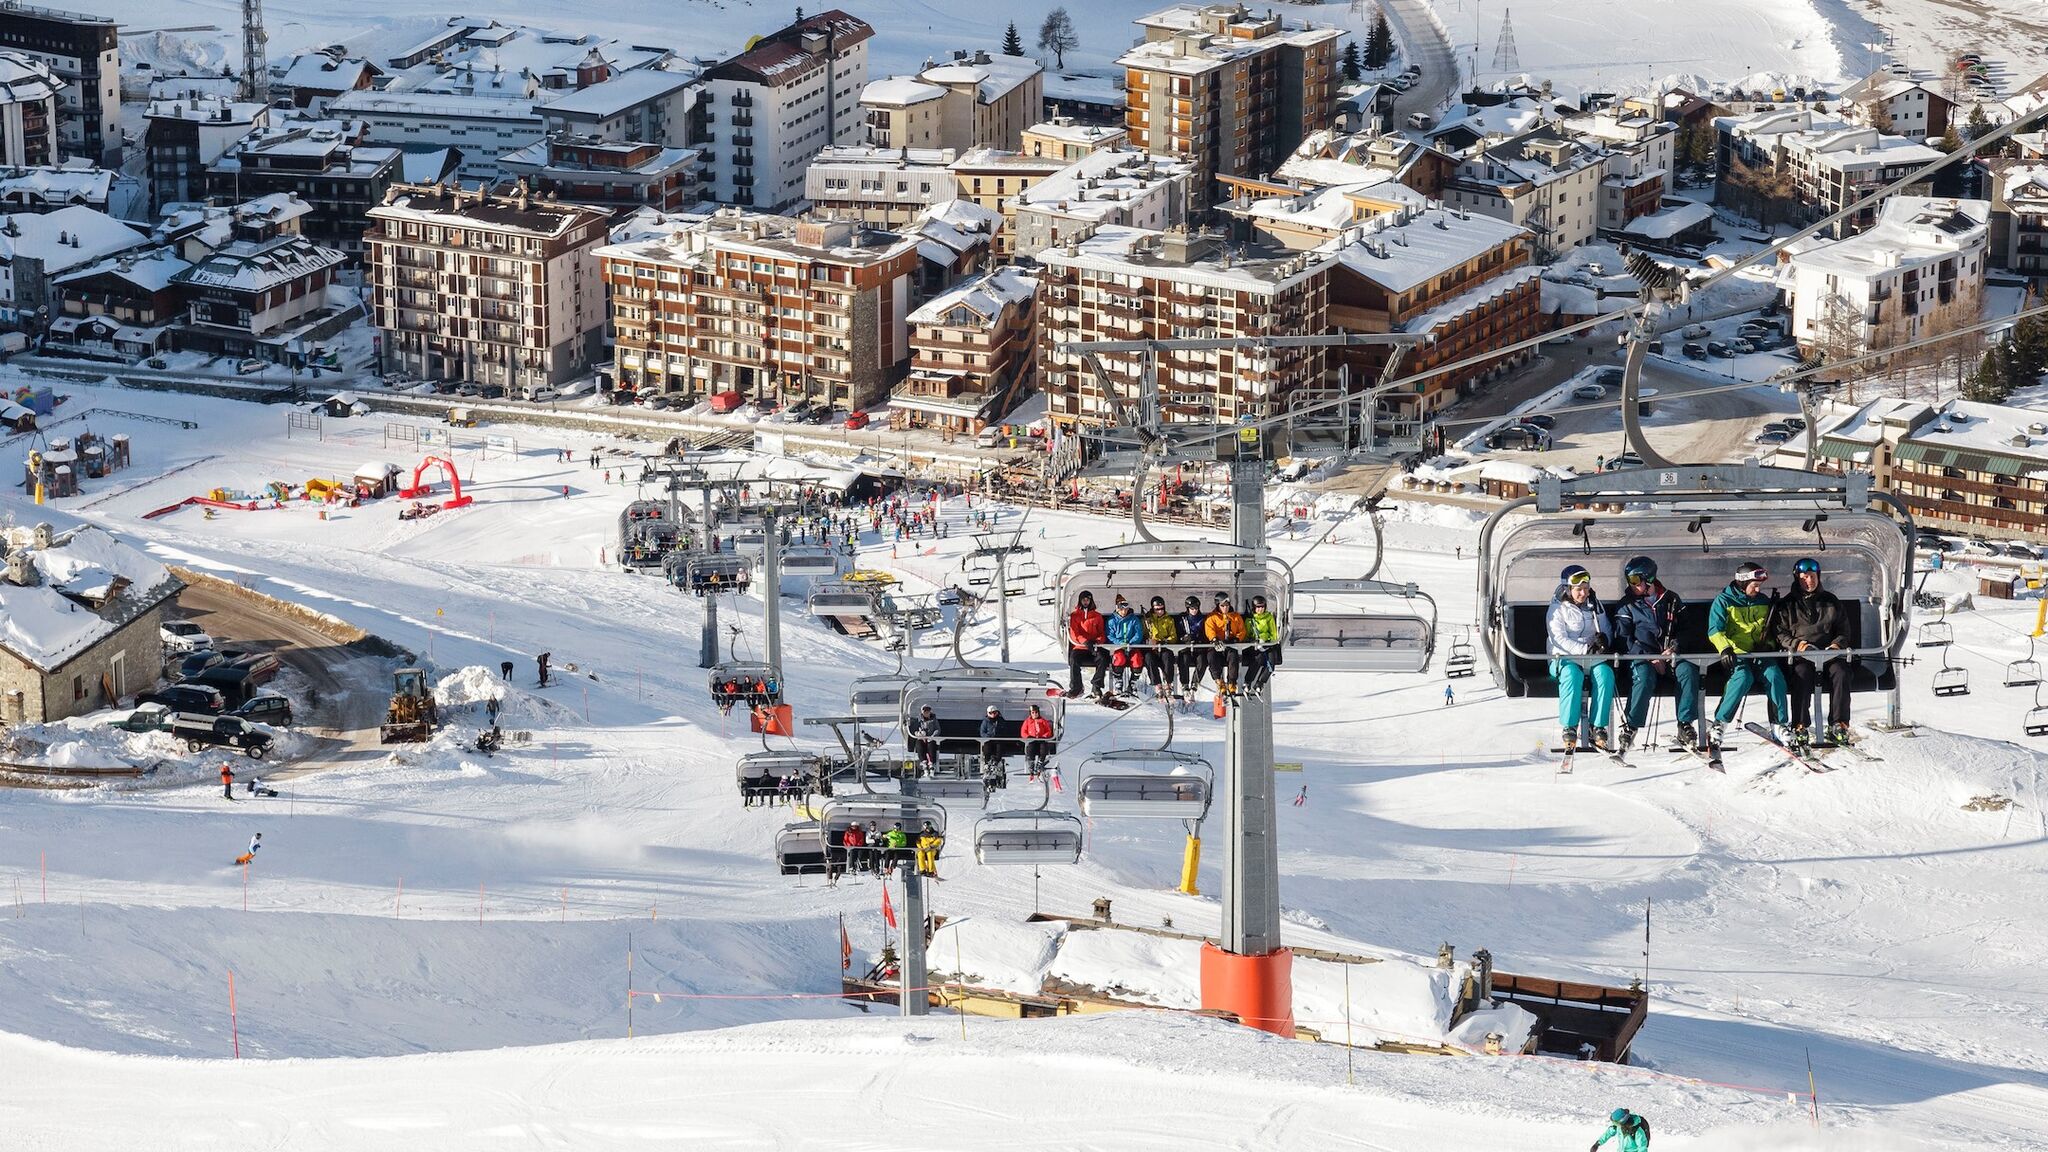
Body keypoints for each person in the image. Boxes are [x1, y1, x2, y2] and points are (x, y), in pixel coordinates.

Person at [1608, 556, 1703, 751]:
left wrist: (1675, 647)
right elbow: (1623, 638)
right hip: (1642, 657)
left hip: (1670, 656)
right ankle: (1631, 726)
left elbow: (1687, 629)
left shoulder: (1671, 600)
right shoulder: (1627, 605)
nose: (1632, 585)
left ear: (1649, 579)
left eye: (1635, 580)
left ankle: (1685, 724)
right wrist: (1648, 656)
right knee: (1643, 677)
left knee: (1687, 671)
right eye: (1629, 580)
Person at [1768, 556, 1853, 745]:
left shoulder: (1830, 601)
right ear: (1797, 578)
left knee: (1841, 672)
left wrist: (1837, 645)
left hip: (1829, 654)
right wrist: (1798, 645)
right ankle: (1800, 725)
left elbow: (1843, 629)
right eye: (1804, 577)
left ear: (1818, 576)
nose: (1809, 581)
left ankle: (1839, 723)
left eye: (1813, 576)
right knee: (1802, 674)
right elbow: (1780, 633)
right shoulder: (1787, 604)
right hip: (1802, 655)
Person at [1708, 560, 1789, 744]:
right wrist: (1725, 648)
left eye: (1760, 586)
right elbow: (1715, 630)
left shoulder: (1763, 601)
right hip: (1736, 654)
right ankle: (1720, 722)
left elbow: (1770, 629)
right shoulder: (1724, 601)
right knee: (1742, 677)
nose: (1758, 590)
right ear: (1743, 583)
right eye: (1754, 586)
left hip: (1760, 654)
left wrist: (1769, 645)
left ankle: (1780, 724)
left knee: (1774, 675)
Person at [1547, 565, 1616, 751]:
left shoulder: (1594, 605)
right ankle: (1570, 726)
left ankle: (1598, 726)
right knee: (1572, 675)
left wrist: (1604, 640)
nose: (1583, 593)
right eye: (1579, 589)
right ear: (1567, 589)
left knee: (1605, 675)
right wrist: (1585, 649)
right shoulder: (1557, 609)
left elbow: (1605, 627)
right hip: (1563, 657)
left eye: (1586, 588)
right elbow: (1558, 639)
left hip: (1592, 657)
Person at [1066, 590, 1109, 698]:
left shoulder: (1097, 616)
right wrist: (1085, 641)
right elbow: (1074, 633)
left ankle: (1096, 686)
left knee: (1103, 658)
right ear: (1080, 601)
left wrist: (1097, 641)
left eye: (1087, 600)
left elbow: (1102, 633)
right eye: (1083, 600)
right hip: (1080, 647)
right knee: (1073, 659)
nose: (1085, 602)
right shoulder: (1075, 616)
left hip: (1094, 646)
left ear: (1091, 601)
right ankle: (1076, 687)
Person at [1203, 593, 1249, 692]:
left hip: (1230, 643)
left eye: (1227, 605)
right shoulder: (1212, 617)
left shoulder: (1235, 616)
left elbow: (1242, 631)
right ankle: (1218, 680)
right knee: (1211, 656)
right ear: (1218, 606)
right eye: (1222, 606)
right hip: (1218, 644)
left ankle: (1232, 682)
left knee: (1233, 657)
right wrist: (1214, 639)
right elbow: (1209, 630)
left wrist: (1237, 638)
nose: (1225, 608)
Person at [1104, 596, 1146, 695]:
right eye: (1121, 609)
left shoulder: (1134, 619)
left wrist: (1131, 643)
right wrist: (1119, 643)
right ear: (1117, 608)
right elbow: (1110, 635)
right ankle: (1118, 681)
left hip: (1132, 646)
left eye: (1126, 609)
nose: (1124, 611)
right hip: (1118, 647)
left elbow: (1138, 633)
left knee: (1137, 659)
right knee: (1119, 658)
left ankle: (1133, 682)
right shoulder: (1112, 620)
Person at [1142, 597, 1179, 697]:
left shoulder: (1169, 620)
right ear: (1153, 609)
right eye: (1157, 609)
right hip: (1152, 649)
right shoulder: (1147, 620)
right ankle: (1157, 684)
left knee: (1168, 656)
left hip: (1164, 647)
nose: (1160, 611)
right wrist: (1149, 641)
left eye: (1162, 608)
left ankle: (1168, 683)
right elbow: (1143, 635)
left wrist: (1163, 641)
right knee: (1149, 658)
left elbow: (1174, 637)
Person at [1245, 595, 1281, 693]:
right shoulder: (1250, 620)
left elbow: (1273, 632)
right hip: (1256, 645)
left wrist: (1269, 642)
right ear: (1254, 607)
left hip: (1268, 644)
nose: (1260, 609)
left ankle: (1260, 683)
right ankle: (1248, 682)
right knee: (1258, 660)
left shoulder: (1268, 617)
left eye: (1262, 607)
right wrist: (1254, 641)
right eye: (1258, 607)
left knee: (1271, 664)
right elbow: (1247, 635)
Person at [1174, 595, 1207, 699]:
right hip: (1186, 646)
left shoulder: (1202, 619)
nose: (1194, 610)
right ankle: (1185, 684)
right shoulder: (1182, 619)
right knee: (1184, 659)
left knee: (1202, 660)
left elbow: (1205, 633)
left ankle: (1195, 683)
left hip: (1198, 646)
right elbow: (1178, 633)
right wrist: (1184, 638)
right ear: (1188, 609)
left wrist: (1199, 638)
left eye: (1196, 608)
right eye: (1192, 608)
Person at [1019, 703, 1054, 775]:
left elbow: (1048, 731)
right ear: (1030, 713)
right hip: (1032, 739)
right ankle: (1031, 763)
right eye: (1033, 712)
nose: (1035, 714)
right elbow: (1023, 731)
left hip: (1041, 739)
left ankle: (1040, 762)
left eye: (1036, 712)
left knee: (1044, 748)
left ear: (1038, 713)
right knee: (1030, 748)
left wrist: (1044, 736)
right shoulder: (1027, 721)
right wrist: (1028, 736)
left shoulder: (1043, 721)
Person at [908, 704, 942, 770]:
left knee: (931, 745)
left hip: (930, 738)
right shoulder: (918, 720)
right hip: (921, 738)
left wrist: (933, 736)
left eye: (928, 711)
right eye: (925, 711)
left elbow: (937, 729)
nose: (926, 713)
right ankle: (923, 761)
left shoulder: (934, 720)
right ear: (922, 712)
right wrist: (918, 734)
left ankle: (931, 762)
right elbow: (913, 729)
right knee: (919, 744)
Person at [978, 705, 1008, 775]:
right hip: (989, 740)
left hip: (998, 740)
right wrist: (987, 737)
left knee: (999, 749)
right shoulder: (986, 721)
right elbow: (982, 732)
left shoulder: (1001, 721)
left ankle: (997, 763)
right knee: (987, 749)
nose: (993, 714)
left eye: (994, 712)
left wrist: (1000, 735)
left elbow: (1005, 730)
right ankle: (987, 764)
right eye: (990, 713)